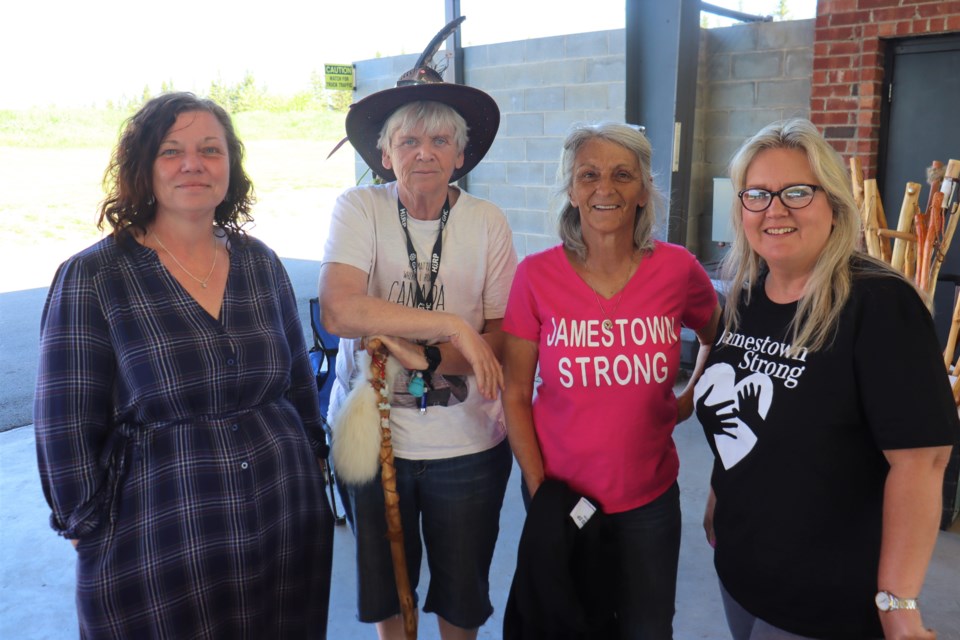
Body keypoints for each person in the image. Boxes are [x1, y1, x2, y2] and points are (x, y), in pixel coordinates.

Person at [34, 92, 334, 639]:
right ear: (144, 169)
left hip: (285, 519)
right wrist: (89, 527)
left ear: (230, 167)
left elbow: (297, 379)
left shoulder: (261, 263)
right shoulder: (94, 278)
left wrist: (314, 461)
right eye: (172, 151)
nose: (193, 164)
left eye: (210, 150)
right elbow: (64, 425)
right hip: (159, 541)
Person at [694, 118, 959, 639]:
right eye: (758, 194)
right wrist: (718, 496)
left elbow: (922, 461)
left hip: (824, 595)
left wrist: (897, 601)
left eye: (796, 192)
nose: (775, 209)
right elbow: (741, 422)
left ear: (834, 204)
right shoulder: (746, 295)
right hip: (740, 567)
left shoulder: (879, 304)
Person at [317, 25, 518, 640]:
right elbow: (340, 312)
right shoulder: (359, 209)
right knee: (387, 590)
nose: (423, 152)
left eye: (439, 139)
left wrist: (423, 355)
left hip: (469, 445)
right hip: (371, 438)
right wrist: (452, 327)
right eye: (408, 140)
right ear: (385, 154)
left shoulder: (487, 222)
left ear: (462, 153)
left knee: (461, 596)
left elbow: (500, 348)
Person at [501, 122, 721, 638]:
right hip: (563, 499)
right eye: (589, 175)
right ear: (572, 190)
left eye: (623, 175)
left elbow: (717, 334)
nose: (606, 188)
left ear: (643, 190)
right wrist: (539, 491)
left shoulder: (677, 270)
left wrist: (689, 398)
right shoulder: (535, 276)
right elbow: (514, 393)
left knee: (648, 628)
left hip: (650, 500)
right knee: (570, 626)